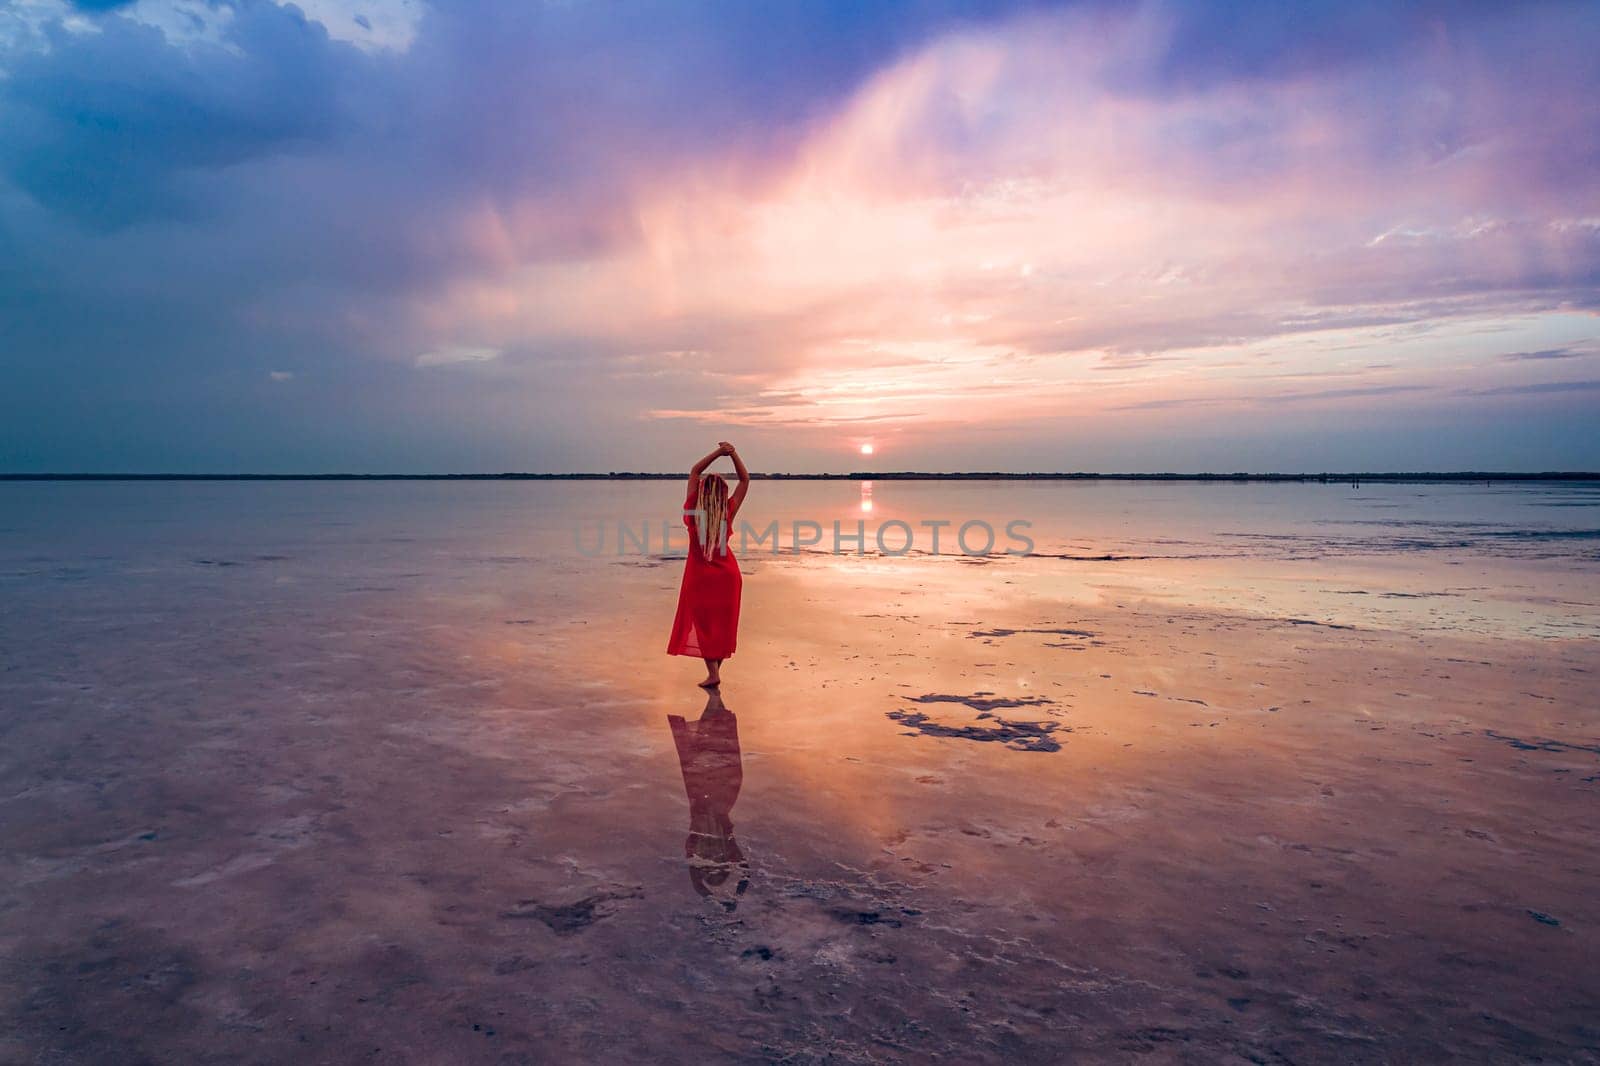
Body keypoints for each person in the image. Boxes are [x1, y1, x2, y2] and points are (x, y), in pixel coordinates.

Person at [666, 441, 749, 687]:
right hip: (727, 575)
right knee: (722, 624)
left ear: (702, 492)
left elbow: (694, 471)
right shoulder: (727, 510)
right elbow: (745, 481)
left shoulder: (692, 512)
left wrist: (717, 453)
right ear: (723, 494)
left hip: (700, 576)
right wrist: (733, 454)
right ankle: (715, 672)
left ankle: (713, 673)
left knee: (704, 625)